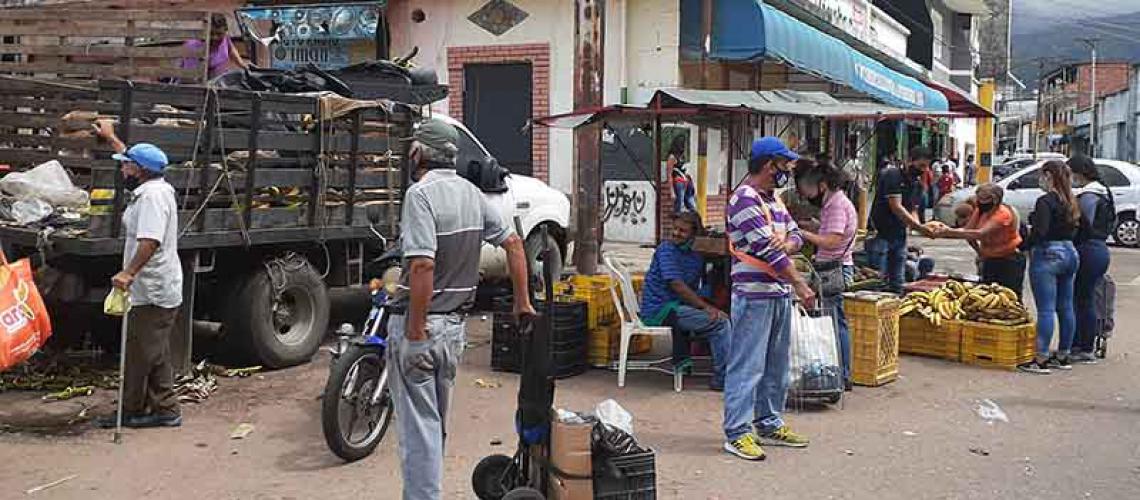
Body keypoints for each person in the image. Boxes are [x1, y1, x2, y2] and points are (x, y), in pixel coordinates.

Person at [388, 119, 535, 499]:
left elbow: (421, 265)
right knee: (433, 427)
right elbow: (515, 245)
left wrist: (416, 333)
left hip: (422, 326)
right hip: (454, 331)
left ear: (420, 152)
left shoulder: (419, 195)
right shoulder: (472, 194)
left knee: (418, 434)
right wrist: (523, 302)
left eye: (411, 148)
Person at [722, 136, 816, 461]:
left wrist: (788, 244)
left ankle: (768, 422)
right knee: (747, 367)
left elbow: (796, 236)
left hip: (777, 294)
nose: (788, 170)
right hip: (754, 296)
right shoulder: (745, 200)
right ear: (768, 165)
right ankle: (737, 433)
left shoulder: (773, 200)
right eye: (784, 165)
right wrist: (802, 286)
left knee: (775, 367)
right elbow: (768, 252)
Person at [92, 120, 183, 429]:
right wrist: (111, 139)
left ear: (139, 170)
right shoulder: (152, 187)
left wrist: (128, 273)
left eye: (126, 166)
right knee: (155, 349)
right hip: (152, 287)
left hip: (153, 288)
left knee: (139, 354)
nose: (122, 170)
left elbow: (150, 241)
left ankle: (129, 410)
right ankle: (166, 408)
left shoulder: (153, 198)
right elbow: (130, 155)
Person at [639, 212, 729, 390]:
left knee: (721, 318)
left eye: (682, 231)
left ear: (694, 235)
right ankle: (723, 379)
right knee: (720, 323)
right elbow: (677, 285)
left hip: (678, 306)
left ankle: (722, 370)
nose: (676, 233)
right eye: (675, 229)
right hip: (661, 310)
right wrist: (706, 307)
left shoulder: (695, 254)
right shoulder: (666, 250)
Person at [795, 161, 857, 390]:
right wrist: (815, 227)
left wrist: (801, 233)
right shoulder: (834, 203)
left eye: (808, 188)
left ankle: (840, 375)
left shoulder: (836, 205)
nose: (806, 194)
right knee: (834, 321)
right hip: (833, 267)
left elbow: (833, 240)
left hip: (833, 270)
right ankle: (841, 374)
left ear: (822, 185)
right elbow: (831, 233)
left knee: (833, 323)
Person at [1019, 160, 1080, 374]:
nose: (1040, 180)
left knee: (1046, 308)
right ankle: (1063, 355)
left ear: (1049, 176)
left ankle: (1041, 357)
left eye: (1041, 176)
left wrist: (1022, 245)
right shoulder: (1070, 200)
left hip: (1048, 253)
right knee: (1066, 306)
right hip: (1071, 252)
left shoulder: (1045, 201)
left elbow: (1040, 232)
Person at [933, 184, 1025, 298]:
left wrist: (948, 232)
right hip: (990, 259)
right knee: (987, 296)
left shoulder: (1003, 214)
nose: (980, 202)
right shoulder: (980, 210)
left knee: (1009, 297)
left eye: (983, 199)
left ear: (995, 200)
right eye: (978, 198)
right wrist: (980, 252)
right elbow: (968, 232)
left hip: (1009, 260)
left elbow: (981, 233)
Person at [868, 147, 935, 293]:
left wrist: (921, 227)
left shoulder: (916, 184)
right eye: (921, 166)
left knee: (898, 281)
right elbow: (896, 206)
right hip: (881, 234)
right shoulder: (892, 175)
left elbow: (912, 210)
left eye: (927, 166)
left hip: (899, 235)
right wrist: (920, 228)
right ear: (910, 160)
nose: (924, 170)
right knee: (878, 281)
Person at [1069, 155, 1114, 364]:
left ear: (1080, 173)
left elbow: (1081, 224)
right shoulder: (1103, 193)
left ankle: (1083, 346)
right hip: (1099, 249)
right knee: (1085, 298)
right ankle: (1082, 344)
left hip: (1088, 250)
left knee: (1082, 299)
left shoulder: (1090, 195)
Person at [181, 13, 249, 80]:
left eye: (219, 34)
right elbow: (189, 78)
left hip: (218, 80)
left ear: (225, 32)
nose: (215, 37)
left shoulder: (225, 39)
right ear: (204, 31)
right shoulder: (193, 47)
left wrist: (242, 64)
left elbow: (231, 49)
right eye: (211, 33)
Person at [668, 135, 698, 214]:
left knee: (691, 205)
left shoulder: (681, 156)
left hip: (686, 182)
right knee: (680, 206)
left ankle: (693, 220)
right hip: (679, 182)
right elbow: (669, 174)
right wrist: (671, 191)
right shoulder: (672, 157)